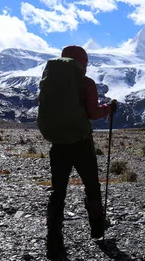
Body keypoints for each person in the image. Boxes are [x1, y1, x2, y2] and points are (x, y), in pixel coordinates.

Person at [37, 45, 117, 260]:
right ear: (82, 62)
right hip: (81, 143)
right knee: (92, 185)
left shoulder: (49, 82)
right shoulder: (86, 83)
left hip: (58, 144)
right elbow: (93, 113)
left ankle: (54, 239)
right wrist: (108, 108)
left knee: (58, 192)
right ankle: (97, 229)